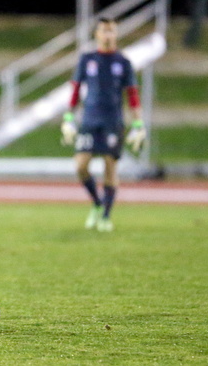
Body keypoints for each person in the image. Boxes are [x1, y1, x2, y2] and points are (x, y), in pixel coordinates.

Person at [61, 17, 146, 232]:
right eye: (104, 31)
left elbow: (132, 95)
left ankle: (106, 216)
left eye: (111, 31)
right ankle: (97, 203)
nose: (108, 35)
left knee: (110, 166)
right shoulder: (87, 59)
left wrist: (138, 123)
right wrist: (69, 118)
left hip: (113, 122)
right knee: (81, 165)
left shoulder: (123, 62)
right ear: (97, 34)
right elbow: (75, 89)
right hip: (90, 121)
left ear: (116, 35)